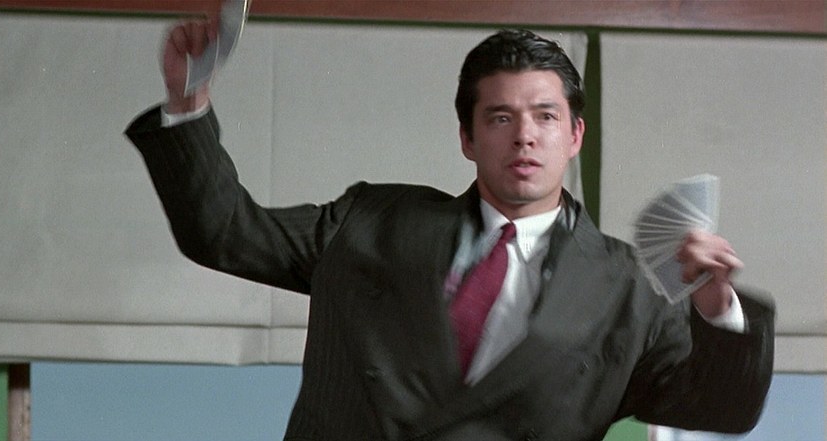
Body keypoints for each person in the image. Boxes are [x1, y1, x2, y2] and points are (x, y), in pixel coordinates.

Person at [125, 19, 774, 441]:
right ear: (466, 136)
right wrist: (189, 100)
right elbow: (224, 231)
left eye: (545, 116)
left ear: (575, 135)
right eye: (500, 117)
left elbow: (720, 408)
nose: (524, 135)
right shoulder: (371, 222)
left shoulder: (629, 288)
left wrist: (717, 306)